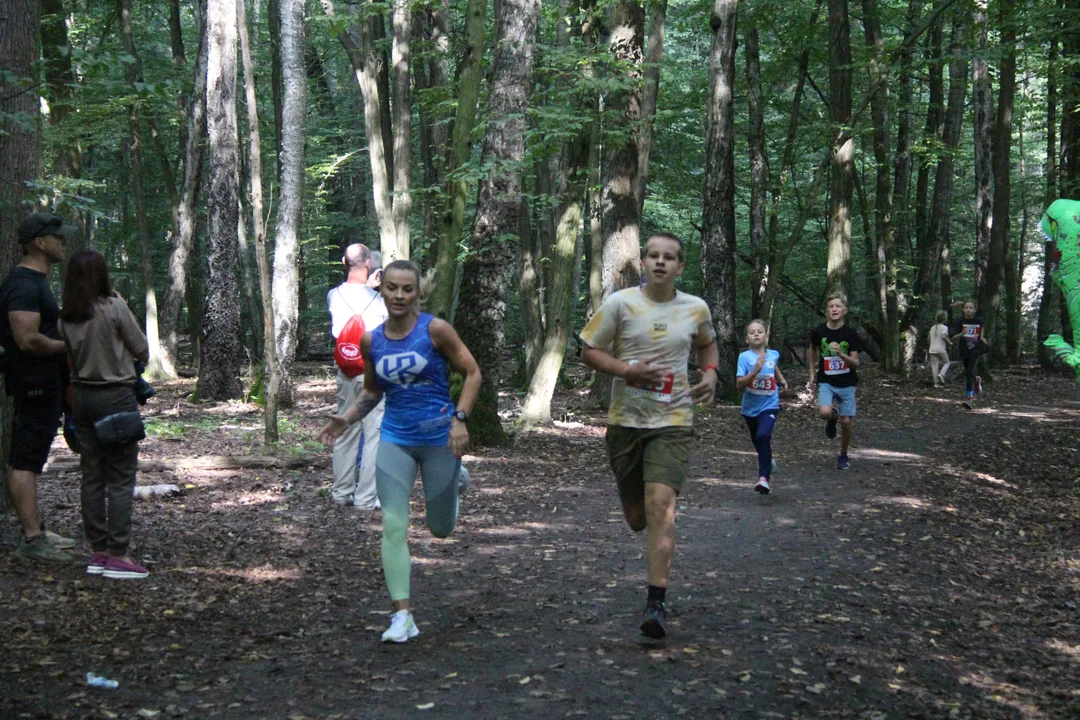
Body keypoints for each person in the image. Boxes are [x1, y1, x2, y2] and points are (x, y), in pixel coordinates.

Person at [320, 260, 481, 643]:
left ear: (417, 293)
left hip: (439, 439)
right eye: (392, 287)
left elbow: (473, 373)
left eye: (408, 289)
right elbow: (372, 391)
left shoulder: (435, 330)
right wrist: (347, 418)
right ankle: (402, 616)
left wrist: (460, 419)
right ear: (382, 289)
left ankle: (456, 478)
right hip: (395, 439)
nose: (399, 295)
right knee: (393, 525)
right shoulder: (371, 340)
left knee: (441, 529)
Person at [579, 233, 718, 640]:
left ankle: (656, 604)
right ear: (643, 263)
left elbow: (708, 346)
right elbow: (587, 350)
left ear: (680, 267)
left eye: (669, 257)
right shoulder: (620, 304)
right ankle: (638, 512)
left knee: (660, 505)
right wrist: (627, 371)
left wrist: (711, 374)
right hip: (626, 421)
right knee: (637, 517)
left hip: (673, 420)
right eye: (653, 256)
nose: (660, 262)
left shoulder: (695, 308)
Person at [59, 250, 151, 579]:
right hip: (114, 396)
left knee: (92, 475)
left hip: (81, 398)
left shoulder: (65, 317)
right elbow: (142, 350)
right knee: (121, 477)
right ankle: (119, 554)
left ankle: (98, 551)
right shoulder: (114, 307)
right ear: (101, 276)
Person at [0, 213, 78, 562]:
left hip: (43, 382)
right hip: (32, 382)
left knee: (31, 454)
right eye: (58, 237)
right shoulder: (23, 285)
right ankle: (32, 540)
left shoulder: (35, 282)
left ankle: (35, 531)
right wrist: (73, 348)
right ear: (39, 242)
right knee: (25, 457)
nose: (64, 242)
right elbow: (28, 339)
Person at [327, 243, 388, 509]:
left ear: (344, 262)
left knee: (346, 427)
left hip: (344, 369)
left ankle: (341, 492)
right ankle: (366, 497)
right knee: (374, 432)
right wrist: (376, 288)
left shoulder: (333, 294)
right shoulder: (380, 299)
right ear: (368, 264)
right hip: (372, 371)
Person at [807, 294, 863, 471]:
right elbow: (811, 349)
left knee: (846, 422)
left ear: (844, 310)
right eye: (831, 306)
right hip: (827, 381)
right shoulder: (819, 331)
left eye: (838, 306)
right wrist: (811, 373)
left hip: (847, 383)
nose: (834, 309)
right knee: (824, 412)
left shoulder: (850, 333)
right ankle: (832, 417)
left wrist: (840, 354)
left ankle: (843, 455)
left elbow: (856, 363)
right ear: (827, 311)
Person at [736, 320, 788, 495]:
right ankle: (767, 460)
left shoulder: (773, 354)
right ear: (747, 339)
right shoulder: (744, 358)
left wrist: (781, 379)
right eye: (752, 333)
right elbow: (739, 384)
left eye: (760, 331)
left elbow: (773, 366)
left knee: (763, 435)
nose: (756, 334)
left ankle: (763, 478)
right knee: (758, 441)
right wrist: (755, 371)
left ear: (766, 336)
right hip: (750, 408)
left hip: (770, 404)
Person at [951, 300, 987, 409]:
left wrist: (982, 337)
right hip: (964, 349)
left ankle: (969, 399)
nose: (968, 310)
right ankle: (976, 380)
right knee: (969, 373)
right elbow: (953, 337)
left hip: (975, 349)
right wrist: (962, 333)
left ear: (975, 310)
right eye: (966, 307)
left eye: (971, 308)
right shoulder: (960, 321)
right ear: (963, 309)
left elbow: (982, 327)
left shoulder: (978, 320)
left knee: (969, 372)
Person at [927, 310, 953, 388]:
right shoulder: (944, 327)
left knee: (934, 366)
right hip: (941, 349)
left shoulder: (932, 327)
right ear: (945, 319)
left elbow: (928, 339)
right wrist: (949, 342)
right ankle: (941, 374)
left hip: (932, 349)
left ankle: (936, 384)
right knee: (947, 362)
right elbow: (943, 336)